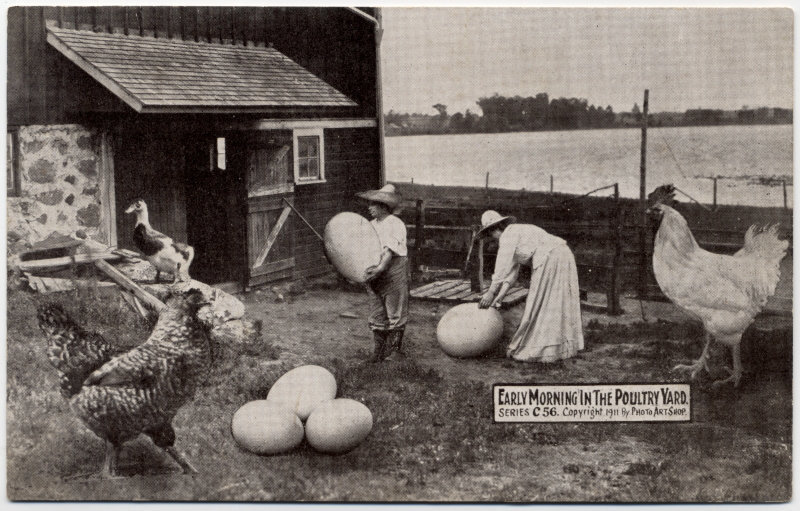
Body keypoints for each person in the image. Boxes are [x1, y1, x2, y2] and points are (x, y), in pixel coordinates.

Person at [477, 210, 584, 362]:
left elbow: (502, 268)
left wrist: (491, 292)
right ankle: (561, 348)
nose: (492, 240)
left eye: (490, 235)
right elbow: (511, 274)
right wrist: (499, 298)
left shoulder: (508, 235)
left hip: (551, 257)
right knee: (555, 301)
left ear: (494, 229)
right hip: (563, 254)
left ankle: (541, 348)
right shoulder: (517, 232)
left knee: (542, 301)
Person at [356, 184, 409, 362]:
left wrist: (380, 269)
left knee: (394, 309)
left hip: (392, 268)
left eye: (373, 204)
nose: (369, 207)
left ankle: (394, 351)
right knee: (377, 310)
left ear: (383, 206)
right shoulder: (370, 225)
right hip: (375, 269)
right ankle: (378, 351)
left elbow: (389, 251)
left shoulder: (395, 224)